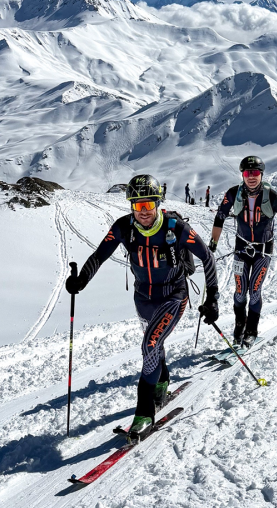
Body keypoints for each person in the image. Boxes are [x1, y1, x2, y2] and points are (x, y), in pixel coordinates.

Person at [66, 174, 220, 439]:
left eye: (148, 205)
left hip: (174, 295)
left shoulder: (175, 227)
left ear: (158, 203)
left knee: (150, 345)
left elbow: (207, 257)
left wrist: (213, 298)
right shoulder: (124, 227)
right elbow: (100, 255)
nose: (144, 212)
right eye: (138, 206)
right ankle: (161, 382)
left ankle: (144, 413)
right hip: (143, 298)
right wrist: (81, 280)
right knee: (154, 343)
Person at [208, 156, 277, 348]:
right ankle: (239, 327)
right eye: (247, 173)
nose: (251, 177)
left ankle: (251, 331)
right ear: (242, 175)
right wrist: (213, 242)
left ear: (261, 174)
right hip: (241, 249)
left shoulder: (272, 196)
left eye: (255, 173)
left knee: (255, 291)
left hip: (263, 252)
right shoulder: (233, 194)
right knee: (240, 292)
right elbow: (219, 217)